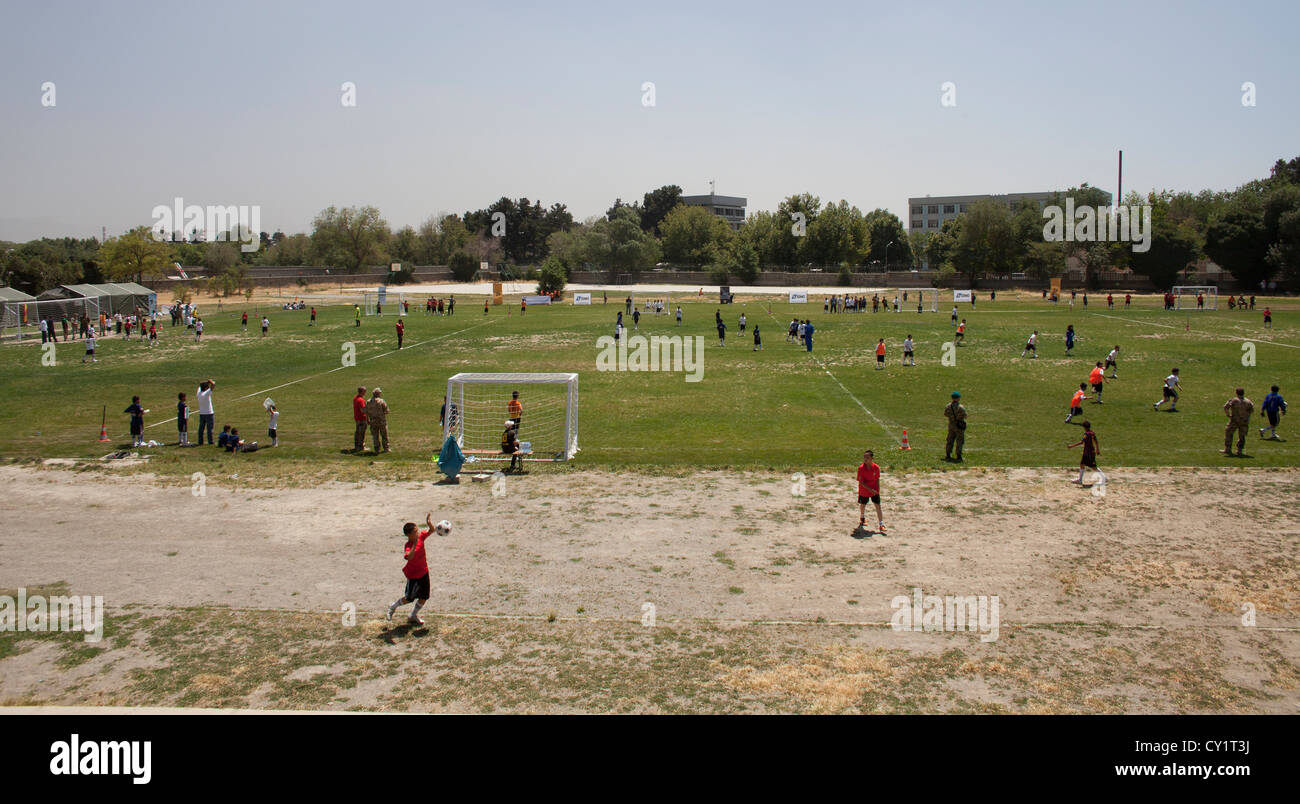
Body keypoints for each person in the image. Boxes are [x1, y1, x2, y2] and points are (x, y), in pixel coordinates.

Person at [387, 514, 436, 625]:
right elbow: (409, 557)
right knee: (409, 598)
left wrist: (429, 523)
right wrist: (415, 544)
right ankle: (392, 607)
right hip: (413, 575)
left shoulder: (421, 536)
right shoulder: (408, 545)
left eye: (417, 530)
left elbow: (431, 530)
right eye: (415, 531)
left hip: (424, 572)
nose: (418, 533)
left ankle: (413, 615)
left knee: (424, 597)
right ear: (409, 534)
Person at [1066, 420, 1106, 488]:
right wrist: (1097, 449)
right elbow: (1096, 441)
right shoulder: (1092, 433)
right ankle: (1080, 480)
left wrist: (1071, 446)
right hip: (1091, 452)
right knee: (1082, 464)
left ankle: (1103, 477)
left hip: (1088, 453)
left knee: (1093, 467)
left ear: (1084, 427)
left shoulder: (1086, 434)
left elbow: (1081, 442)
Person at [856, 449, 886, 533]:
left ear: (872, 458)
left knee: (878, 506)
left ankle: (881, 524)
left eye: (867, 457)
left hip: (874, 490)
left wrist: (877, 490)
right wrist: (870, 490)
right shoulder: (861, 468)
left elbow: (877, 479)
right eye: (864, 457)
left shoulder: (876, 467)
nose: (865, 459)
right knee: (863, 505)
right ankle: (862, 518)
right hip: (864, 491)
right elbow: (861, 482)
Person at [1223, 388, 1253, 457]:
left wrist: (1228, 414)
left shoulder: (1234, 400)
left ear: (1236, 393)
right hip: (1244, 421)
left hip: (1234, 420)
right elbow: (1251, 410)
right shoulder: (1248, 401)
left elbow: (1225, 407)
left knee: (1229, 433)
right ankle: (1239, 450)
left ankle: (1228, 449)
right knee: (1242, 436)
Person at [365, 388, 390, 453]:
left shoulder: (368, 401)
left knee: (375, 436)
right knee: (384, 435)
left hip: (373, 421)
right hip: (381, 421)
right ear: (378, 394)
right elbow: (387, 411)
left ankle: (377, 449)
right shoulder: (381, 401)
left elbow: (366, 412)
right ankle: (386, 448)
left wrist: (367, 420)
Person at [944, 392, 966, 461]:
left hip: (951, 425)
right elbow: (965, 416)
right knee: (959, 440)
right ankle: (958, 455)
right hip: (959, 425)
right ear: (958, 398)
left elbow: (945, 414)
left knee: (950, 439)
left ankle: (948, 454)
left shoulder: (948, 406)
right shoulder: (960, 407)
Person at [197, 380, 216, 445]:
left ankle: (200, 441)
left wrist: (205, 383)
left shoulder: (199, 393)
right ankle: (210, 441)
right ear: (205, 388)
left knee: (201, 429)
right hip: (209, 413)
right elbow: (213, 384)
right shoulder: (206, 393)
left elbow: (200, 386)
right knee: (210, 429)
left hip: (202, 413)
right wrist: (210, 381)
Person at [352, 386, 368, 452]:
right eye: (365, 391)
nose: (365, 392)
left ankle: (356, 446)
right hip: (361, 419)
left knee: (358, 432)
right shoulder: (361, 400)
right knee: (361, 433)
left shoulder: (355, 398)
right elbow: (363, 410)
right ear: (362, 391)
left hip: (357, 418)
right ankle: (361, 447)